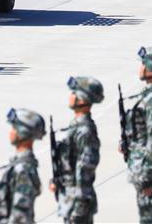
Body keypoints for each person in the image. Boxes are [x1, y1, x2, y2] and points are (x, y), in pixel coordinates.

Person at [122, 47, 152, 223]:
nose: (140, 68)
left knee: (151, 217)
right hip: (144, 164)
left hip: (149, 168)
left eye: (143, 64)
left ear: (151, 68)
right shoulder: (149, 96)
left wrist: (148, 176)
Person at [51, 76, 103, 224]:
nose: (71, 96)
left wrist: (79, 206)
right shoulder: (75, 127)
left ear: (82, 99)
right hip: (70, 197)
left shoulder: (84, 131)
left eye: (74, 93)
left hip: (78, 201)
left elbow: (85, 168)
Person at [0, 108, 45, 224]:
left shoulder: (23, 169)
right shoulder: (20, 164)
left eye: (14, 128)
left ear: (23, 132)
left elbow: (20, 216)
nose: (11, 132)